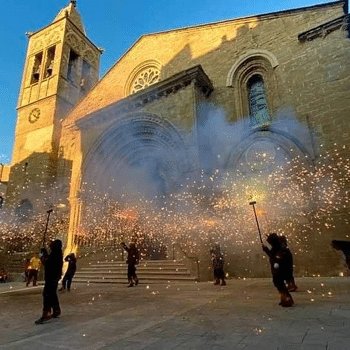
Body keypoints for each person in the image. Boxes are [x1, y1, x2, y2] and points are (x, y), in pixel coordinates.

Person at [35, 239, 63, 325]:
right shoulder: (57, 253)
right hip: (54, 277)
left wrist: (44, 255)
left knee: (47, 294)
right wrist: (45, 254)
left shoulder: (55, 254)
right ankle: (56, 310)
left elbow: (48, 263)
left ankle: (46, 314)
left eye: (52, 244)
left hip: (51, 277)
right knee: (52, 293)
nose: (50, 245)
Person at [263, 233, 294, 307]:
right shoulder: (278, 246)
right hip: (280, 269)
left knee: (279, 284)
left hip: (281, 269)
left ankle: (287, 299)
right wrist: (267, 250)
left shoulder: (279, 248)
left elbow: (275, 257)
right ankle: (284, 298)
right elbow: (273, 255)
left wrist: (267, 250)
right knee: (279, 284)